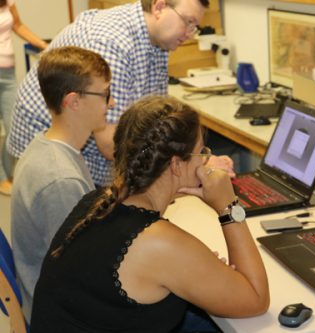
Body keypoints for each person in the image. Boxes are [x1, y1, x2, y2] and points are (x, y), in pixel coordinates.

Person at [30, 95, 270, 332]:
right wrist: (228, 206)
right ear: (176, 165)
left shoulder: (98, 200)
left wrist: (193, 266)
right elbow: (256, 300)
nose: (205, 161)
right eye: (201, 153)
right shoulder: (159, 243)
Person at [7, 0, 234, 187]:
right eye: (188, 22)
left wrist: (191, 161)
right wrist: (193, 164)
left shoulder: (159, 40)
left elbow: (155, 122)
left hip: (84, 151)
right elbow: (111, 145)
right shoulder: (112, 42)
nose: (189, 34)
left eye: (194, 27)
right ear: (158, 7)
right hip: (52, 162)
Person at [11, 46, 114, 321]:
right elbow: (84, 275)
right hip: (65, 316)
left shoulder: (50, 146)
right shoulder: (60, 179)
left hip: (64, 297)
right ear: (74, 101)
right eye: (104, 94)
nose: (111, 103)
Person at [0, 0, 48, 195]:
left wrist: (44, 46)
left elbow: (18, 25)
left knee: (13, 124)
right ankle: (1, 177)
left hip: (8, 73)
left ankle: (10, 171)